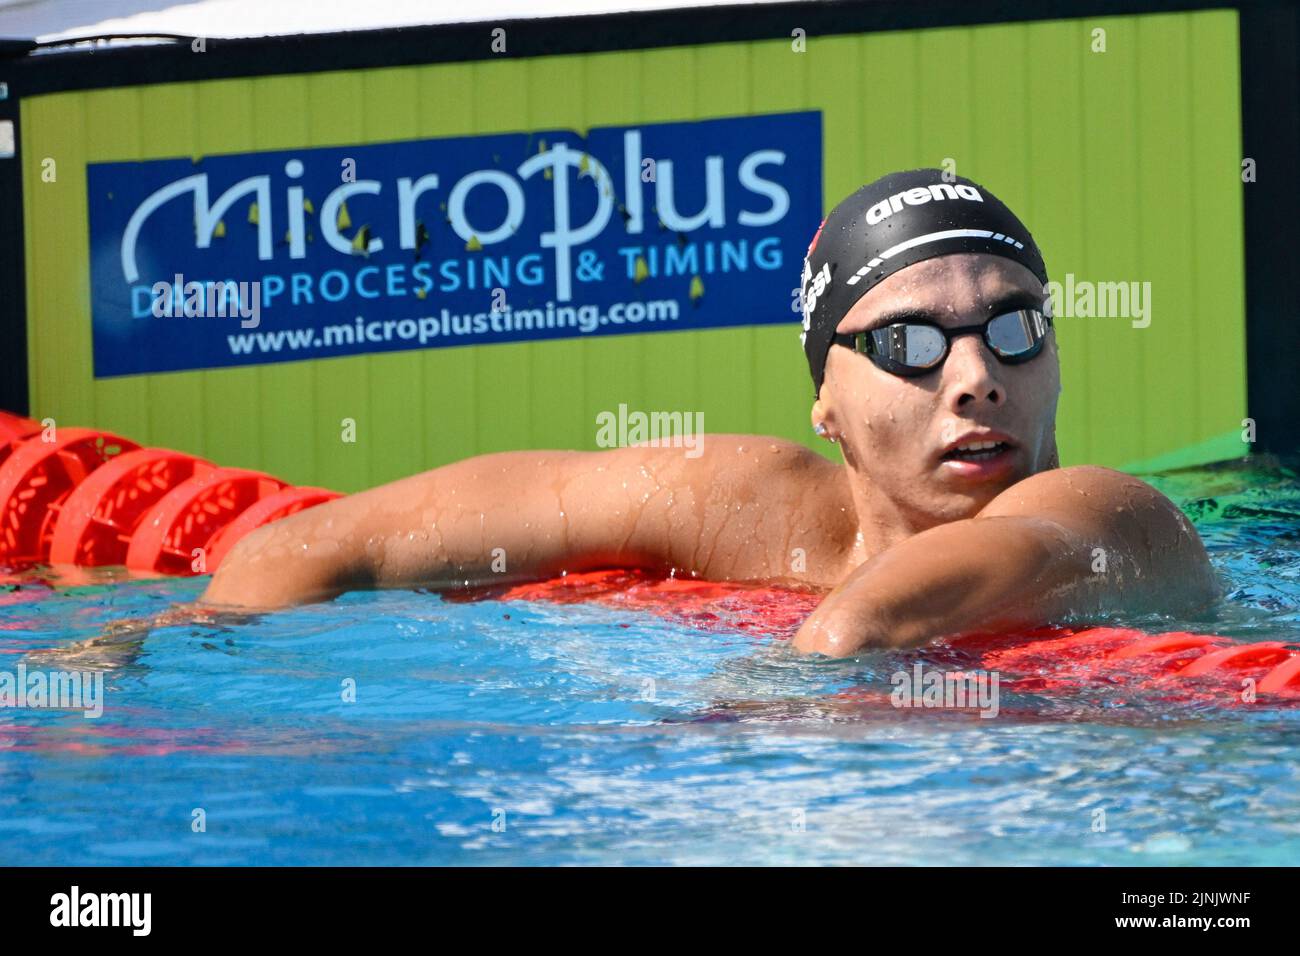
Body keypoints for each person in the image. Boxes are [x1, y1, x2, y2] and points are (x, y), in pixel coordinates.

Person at [200, 169, 1218, 656]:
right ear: (825, 398)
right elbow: (339, 542)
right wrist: (174, 638)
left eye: (1011, 329)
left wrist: (744, 716)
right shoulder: (746, 502)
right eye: (908, 343)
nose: (974, 376)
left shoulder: (1113, 512)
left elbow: (889, 614)